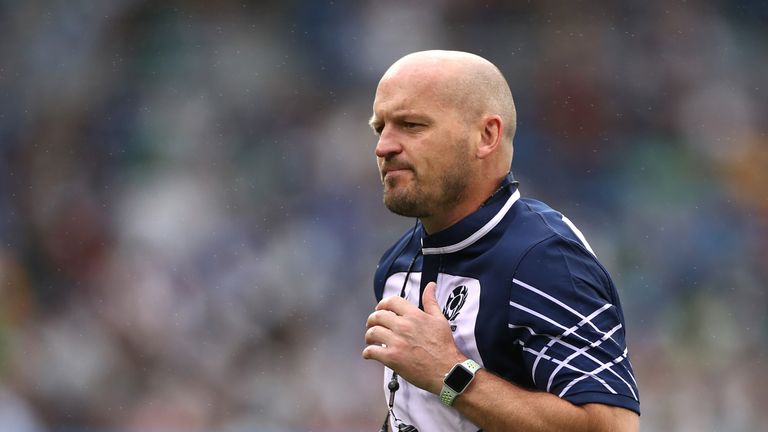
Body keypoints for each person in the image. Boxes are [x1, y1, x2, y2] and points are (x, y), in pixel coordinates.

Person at [362, 50, 640, 432]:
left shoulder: (542, 258)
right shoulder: (398, 261)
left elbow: (612, 427)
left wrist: (449, 374)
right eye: (381, 128)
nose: (384, 147)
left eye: (411, 125)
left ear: (486, 136)